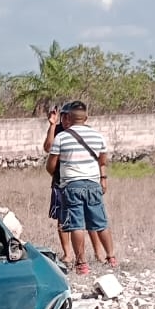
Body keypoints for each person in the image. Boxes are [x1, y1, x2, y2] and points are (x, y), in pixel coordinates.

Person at [45, 100, 117, 275]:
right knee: (101, 224)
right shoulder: (98, 136)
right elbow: (103, 160)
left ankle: (82, 263)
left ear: (68, 117)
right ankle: (111, 257)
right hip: (93, 184)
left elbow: (50, 166)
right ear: (87, 117)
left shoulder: (62, 137)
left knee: (76, 225)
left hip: (71, 185)